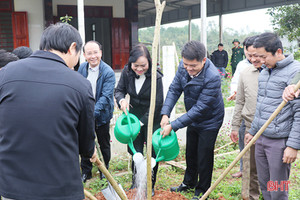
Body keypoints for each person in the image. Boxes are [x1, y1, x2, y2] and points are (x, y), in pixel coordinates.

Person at [0, 23, 96, 200]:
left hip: (12, 186)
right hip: (60, 188)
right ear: (72, 47)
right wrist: (91, 150)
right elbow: (85, 144)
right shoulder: (80, 84)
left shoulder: (5, 74)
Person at [160, 41, 224, 200]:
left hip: (210, 120)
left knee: (204, 155)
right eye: (186, 64)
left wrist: (173, 126)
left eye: (193, 66)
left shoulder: (213, 77)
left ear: (203, 60)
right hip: (193, 118)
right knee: (191, 152)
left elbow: (201, 108)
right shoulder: (183, 67)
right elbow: (174, 89)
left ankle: (202, 191)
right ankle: (188, 183)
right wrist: (165, 113)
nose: (188, 68)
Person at [245, 32, 300, 200]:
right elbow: (262, 106)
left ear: (277, 51)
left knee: (278, 189)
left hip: (279, 142)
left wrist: (293, 146)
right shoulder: (265, 72)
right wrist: (253, 131)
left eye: (263, 57)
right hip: (261, 138)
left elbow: (299, 113)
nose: (260, 61)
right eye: (256, 56)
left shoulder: (295, 73)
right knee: (265, 185)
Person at [114, 43, 163, 197]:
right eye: (136, 65)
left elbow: (159, 102)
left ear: (149, 62)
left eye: (143, 65)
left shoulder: (156, 77)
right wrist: (121, 100)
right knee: (135, 152)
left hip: (152, 118)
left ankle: (150, 185)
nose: (139, 69)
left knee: (152, 153)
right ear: (131, 63)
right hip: (133, 117)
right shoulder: (127, 73)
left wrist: (142, 122)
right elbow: (119, 90)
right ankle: (135, 183)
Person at [78, 41, 115, 182]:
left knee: (103, 143)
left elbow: (106, 97)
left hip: (102, 116)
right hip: (85, 114)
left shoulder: (108, 72)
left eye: (95, 52)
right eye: (89, 53)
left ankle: (103, 171)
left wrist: (91, 114)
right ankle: (86, 171)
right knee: (85, 142)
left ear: (101, 53)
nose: (93, 56)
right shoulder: (82, 68)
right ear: (84, 55)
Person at [230, 35, 261, 200]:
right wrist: (235, 126)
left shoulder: (277, 72)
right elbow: (240, 101)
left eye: (257, 55)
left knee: (275, 171)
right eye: (250, 55)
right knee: (250, 169)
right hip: (249, 126)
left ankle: (274, 194)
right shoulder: (245, 71)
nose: (253, 59)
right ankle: (250, 196)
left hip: (273, 130)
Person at [228, 37, 254, 179]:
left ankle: (256, 173)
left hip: (258, 113)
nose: (251, 57)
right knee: (243, 140)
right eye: (248, 52)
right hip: (245, 110)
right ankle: (243, 169)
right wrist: (234, 92)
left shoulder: (264, 66)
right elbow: (235, 81)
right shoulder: (242, 65)